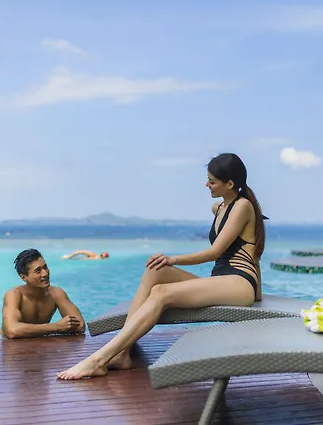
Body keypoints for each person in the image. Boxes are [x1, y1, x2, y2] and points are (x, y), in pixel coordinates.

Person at [56, 153, 266, 380]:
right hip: (221, 280)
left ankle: (99, 360)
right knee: (155, 270)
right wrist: (167, 263)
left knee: (161, 292)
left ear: (230, 183)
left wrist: (173, 259)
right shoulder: (219, 208)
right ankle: (122, 353)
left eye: (212, 181)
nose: (207, 185)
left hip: (239, 283)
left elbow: (215, 253)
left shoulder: (243, 206)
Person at [0, 248, 85, 338]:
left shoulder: (56, 293)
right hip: (7, 344)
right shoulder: (14, 295)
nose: (45, 273)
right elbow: (12, 331)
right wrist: (57, 326)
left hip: (39, 343)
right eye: (38, 271)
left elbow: (80, 326)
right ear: (24, 277)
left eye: (45, 267)